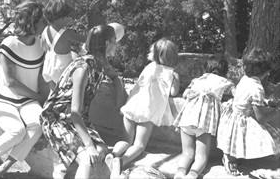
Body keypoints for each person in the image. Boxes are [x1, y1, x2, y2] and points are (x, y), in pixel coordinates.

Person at [39, 24, 127, 179]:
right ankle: (64, 166)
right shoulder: (83, 68)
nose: (116, 45)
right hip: (57, 119)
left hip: (79, 120)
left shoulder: (100, 64)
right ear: (107, 43)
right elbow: (74, 112)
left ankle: (61, 170)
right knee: (88, 157)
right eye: (115, 41)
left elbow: (114, 77)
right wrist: (88, 145)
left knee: (101, 152)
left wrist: (119, 87)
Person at [0, 0, 47, 179]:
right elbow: (11, 83)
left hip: (28, 102)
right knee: (17, 131)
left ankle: (2, 168)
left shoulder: (41, 46)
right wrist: (38, 97)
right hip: (4, 100)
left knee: (39, 125)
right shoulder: (9, 44)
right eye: (43, 21)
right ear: (31, 21)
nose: (46, 25)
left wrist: (44, 99)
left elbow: (41, 77)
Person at [106, 38, 180, 178]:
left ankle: (113, 154)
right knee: (139, 145)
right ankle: (121, 162)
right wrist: (177, 80)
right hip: (146, 112)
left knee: (126, 141)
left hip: (131, 106)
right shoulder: (170, 73)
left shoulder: (149, 67)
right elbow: (173, 93)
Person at [217, 48, 280, 176]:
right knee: (272, 136)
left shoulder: (245, 78)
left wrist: (266, 102)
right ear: (266, 72)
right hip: (242, 119)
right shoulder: (257, 88)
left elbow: (248, 98)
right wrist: (277, 110)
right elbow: (261, 118)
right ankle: (228, 159)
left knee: (234, 141)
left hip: (233, 114)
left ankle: (230, 157)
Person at [173, 54, 235, 179]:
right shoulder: (225, 82)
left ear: (206, 68)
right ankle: (191, 175)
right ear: (225, 70)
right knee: (201, 157)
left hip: (187, 118)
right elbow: (237, 94)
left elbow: (185, 94)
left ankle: (180, 173)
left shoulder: (197, 80)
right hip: (203, 122)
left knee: (187, 154)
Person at [41, 0, 86, 91]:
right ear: (61, 18)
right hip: (62, 69)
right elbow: (83, 39)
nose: (69, 20)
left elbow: (43, 47)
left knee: (53, 94)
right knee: (66, 93)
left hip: (48, 67)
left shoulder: (45, 31)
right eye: (68, 17)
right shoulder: (66, 33)